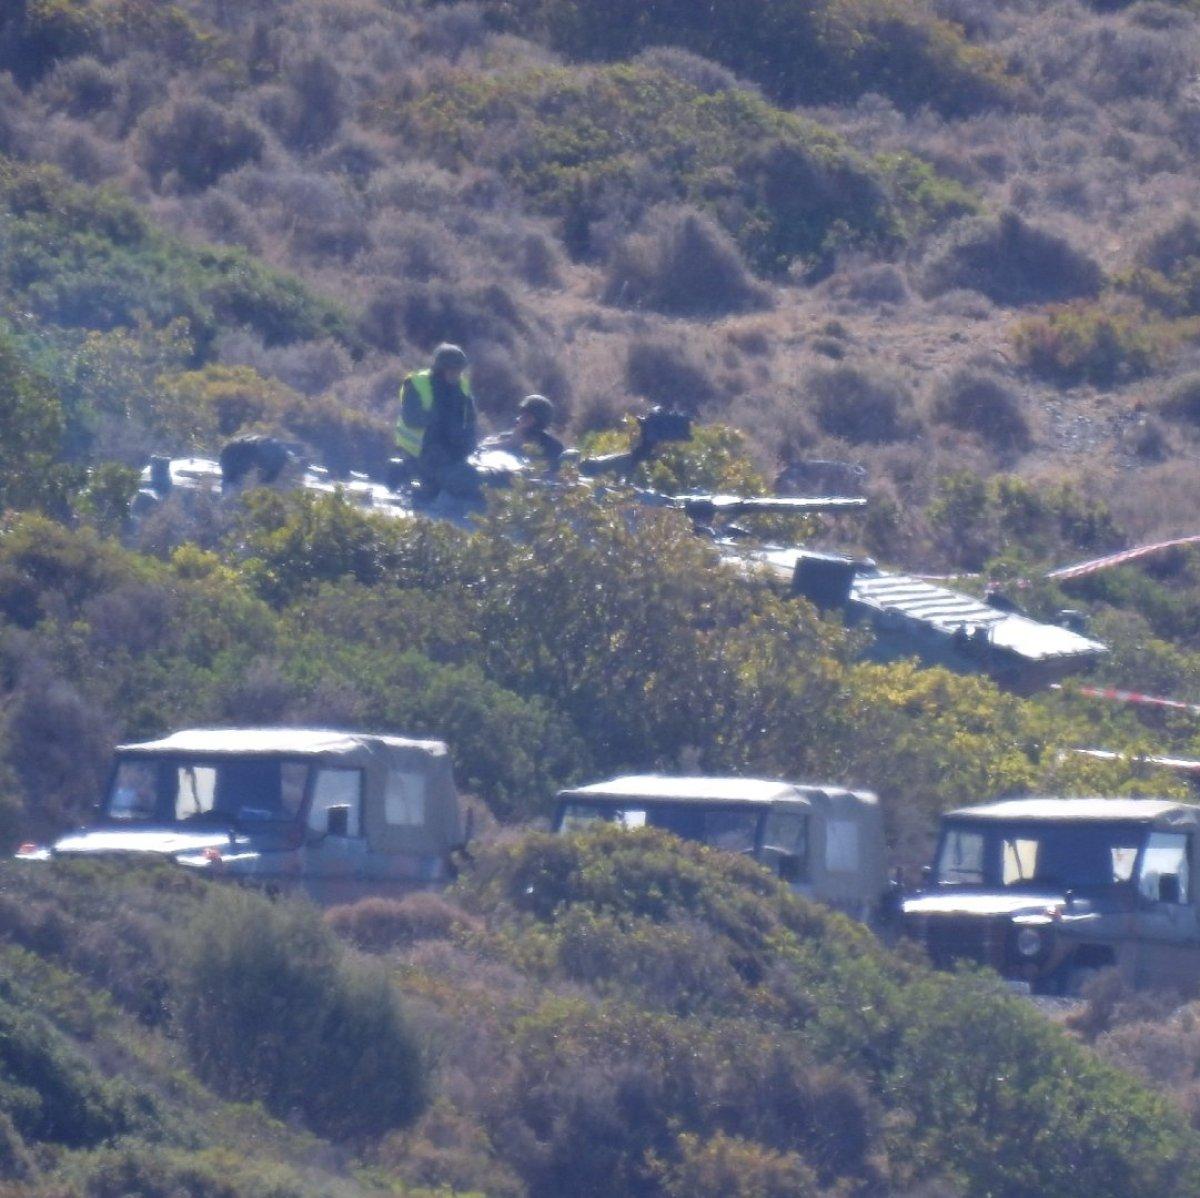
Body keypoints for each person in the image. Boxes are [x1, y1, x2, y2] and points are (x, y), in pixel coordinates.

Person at [493, 394, 565, 473]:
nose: (520, 419)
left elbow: (550, 472)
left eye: (527, 416)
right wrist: (509, 442)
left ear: (539, 422)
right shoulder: (505, 437)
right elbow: (484, 449)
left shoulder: (551, 446)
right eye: (522, 414)